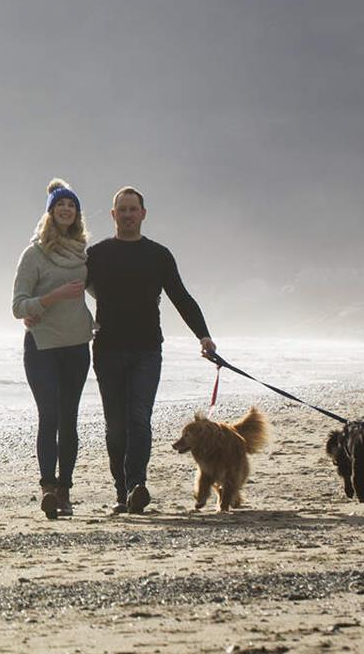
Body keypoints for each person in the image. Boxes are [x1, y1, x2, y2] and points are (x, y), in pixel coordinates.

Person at [86, 186, 216, 514]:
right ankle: (121, 491)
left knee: (139, 419)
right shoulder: (98, 254)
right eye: (122, 210)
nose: (128, 215)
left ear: (143, 214)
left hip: (146, 351)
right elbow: (75, 290)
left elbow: (181, 297)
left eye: (133, 209)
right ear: (113, 215)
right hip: (107, 351)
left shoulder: (158, 255)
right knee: (115, 424)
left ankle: (136, 486)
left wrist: (203, 336)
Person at [12, 179, 94, 520]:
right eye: (60, 205)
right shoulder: (34, 254)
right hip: (42, 346)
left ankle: (65, 491)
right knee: (50, 417)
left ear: (76, 214)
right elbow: (18, 306)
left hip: (76, 345)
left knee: (70, 419)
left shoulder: (84, 254)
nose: (66, 210)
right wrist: (51, 298)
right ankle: (47, 487)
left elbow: (106, 291)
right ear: (50, 213)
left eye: (71, 206)